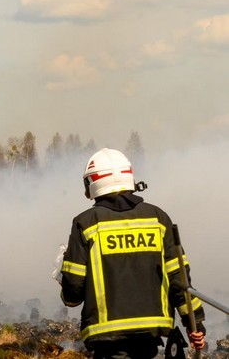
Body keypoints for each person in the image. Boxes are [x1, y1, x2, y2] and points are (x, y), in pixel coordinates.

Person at [59, 148, 206, 359]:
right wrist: (195, 324)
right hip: (153, 331)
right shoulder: (158, 218)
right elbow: (179, 279)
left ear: (92, 183)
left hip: (106, 335)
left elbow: (73, 294)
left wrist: (63, 278)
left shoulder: (86, 223)